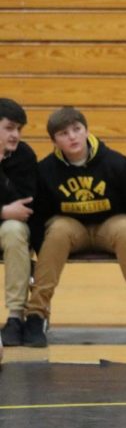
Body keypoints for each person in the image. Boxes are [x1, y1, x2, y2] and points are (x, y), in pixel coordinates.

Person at [21, 106, 126, 347]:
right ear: (54, 141)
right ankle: (36, 315)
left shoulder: (117, 164)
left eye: (77, 129)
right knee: (57, 230)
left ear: (87, 131)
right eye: (64, 133)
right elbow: (37, 216)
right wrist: (45, 253)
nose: (72, 137)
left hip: (110, 226)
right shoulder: (45, 170)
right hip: (70, 229)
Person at [0, 98, 38, 347]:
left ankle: (15, 316)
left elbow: (24, 205)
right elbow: (10, 207)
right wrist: (3, 211)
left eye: (19, 129)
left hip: (9, 228)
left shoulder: (24, 155)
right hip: (3, 217)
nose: (16, 135)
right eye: (10, 128)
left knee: (15, 230)